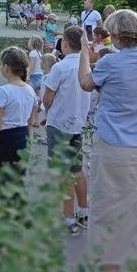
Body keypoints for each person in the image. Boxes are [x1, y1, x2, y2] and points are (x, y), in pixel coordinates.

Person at [77, 9, 137, 272]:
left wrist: (84, 55)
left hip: (112, 147)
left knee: (106, 213)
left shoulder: (111, 62)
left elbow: (86, 84)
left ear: (113, 34)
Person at [43, 26, 92, 237]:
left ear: (64, 44)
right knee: (76, 169)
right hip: (77, 123)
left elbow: (47, 97)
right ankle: (83, 211)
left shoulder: (60, 67)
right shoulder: (87, 67)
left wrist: (48, 111)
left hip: (59, 124)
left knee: (64, 173)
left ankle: (68, 217)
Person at [0, 47, 39, 196]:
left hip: (5, 140)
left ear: (6, 67)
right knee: (17, 182)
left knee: (3, 184)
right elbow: (31, 122)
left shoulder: (2, 92)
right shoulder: (30, 90)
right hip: (22, 138)